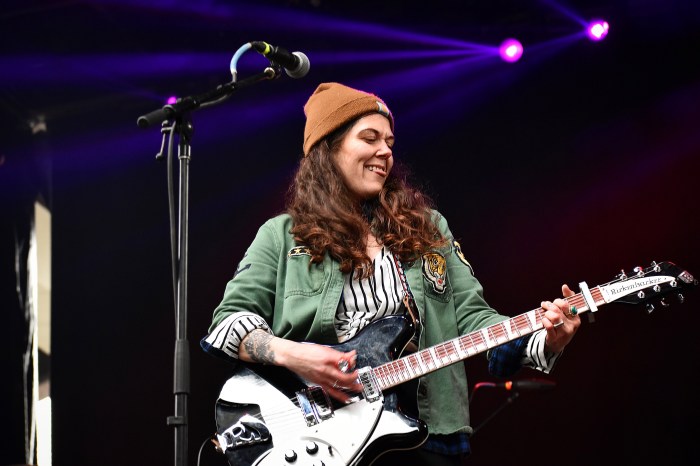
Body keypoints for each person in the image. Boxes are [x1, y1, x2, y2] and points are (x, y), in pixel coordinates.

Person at [201, 82, 580, 465]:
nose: (385, 151)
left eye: (389, 142)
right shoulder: (281, 236)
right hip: (319, 439)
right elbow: (229, 322)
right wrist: (296, 355)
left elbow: (471, 318)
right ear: (328, 150)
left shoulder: (428, 229)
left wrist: (544, 338)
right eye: (370, 138)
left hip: (425, 434)